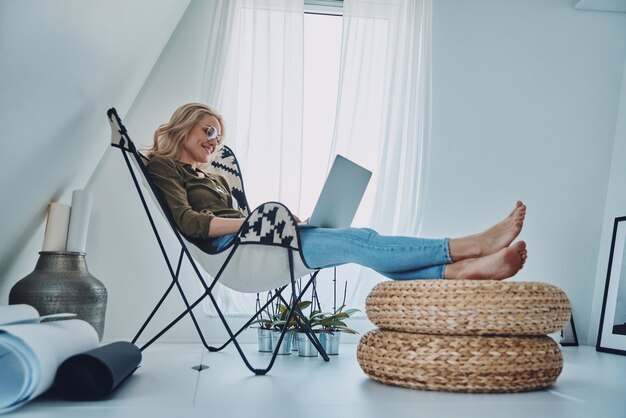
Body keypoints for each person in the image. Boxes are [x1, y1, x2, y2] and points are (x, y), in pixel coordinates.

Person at [147, 103, 528, 281]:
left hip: (259, 238)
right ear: (185, 125)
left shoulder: (211, 177)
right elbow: (189, 223)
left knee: (356, 245)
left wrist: (279, 222)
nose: (215, 142)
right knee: (361, 240)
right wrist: (253, 222)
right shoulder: (163, 165)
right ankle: (469, 247)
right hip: (236, 251)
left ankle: (460, 271)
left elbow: (233, 218)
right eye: (209, 131)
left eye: (219, 135)